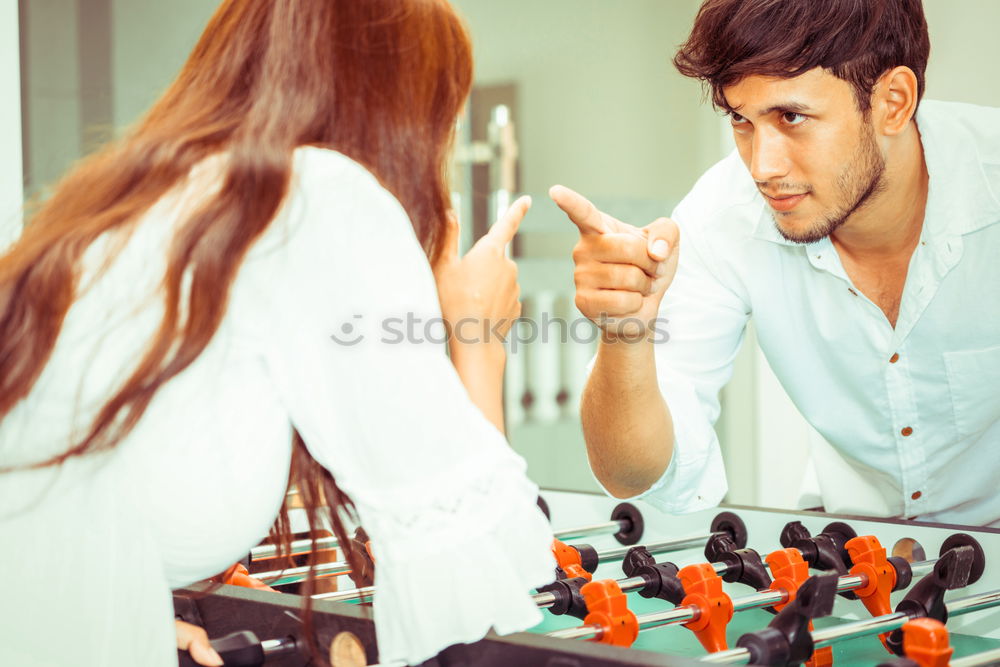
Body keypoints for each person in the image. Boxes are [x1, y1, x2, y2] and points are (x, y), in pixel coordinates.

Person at [0, 1, 554, 665]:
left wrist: (113, 608)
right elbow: (474, 569)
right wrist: (477, 331)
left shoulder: (133, 205)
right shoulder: (314, 198)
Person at [555, 0, 1000, 526]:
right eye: (740, 120)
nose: (762, 168)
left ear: (893, 102)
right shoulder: (722, 214)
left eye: (792, 117)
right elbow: (632, 475)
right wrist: (624, 334)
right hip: (851, 560)